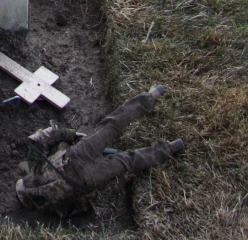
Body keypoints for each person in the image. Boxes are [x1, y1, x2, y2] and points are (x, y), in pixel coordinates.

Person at [16, 85, 184, 216]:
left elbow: (81, 206)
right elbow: (37, 140)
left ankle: (170, 148)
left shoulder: (50, 209)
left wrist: (91, 192)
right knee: (112, 125)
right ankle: (151, 96)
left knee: (127, 161)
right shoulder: (33, 168)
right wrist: (68, 135)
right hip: (77, 155)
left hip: (88, 178)